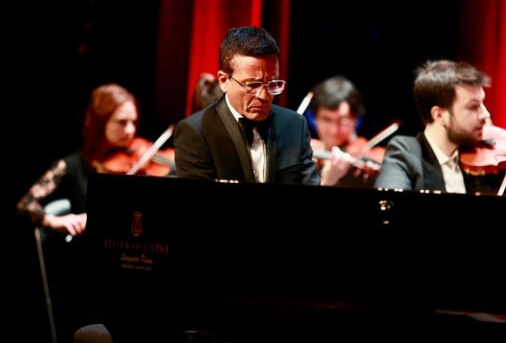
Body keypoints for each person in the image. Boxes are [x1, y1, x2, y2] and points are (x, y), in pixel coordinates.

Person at [15, 83, 145, 343]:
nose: (130, 130)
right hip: (90, 270)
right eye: (121, 122)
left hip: (134, 266)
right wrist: (57, 220)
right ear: (100, 122)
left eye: (133, 122)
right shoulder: (74, 165)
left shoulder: (141, 161)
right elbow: (27, 203)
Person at [373, 59, 506, 195]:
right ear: (439, 115)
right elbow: (389, 212)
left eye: (483, 103)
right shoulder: (405, 153)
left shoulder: (487, 164)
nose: (486, 114)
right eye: (473, 107)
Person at [173, 25, 320, 185]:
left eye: (273, 84)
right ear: (224, 81)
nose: (264, 96)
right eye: (253, 85)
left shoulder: (295, 126)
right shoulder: (195, 132)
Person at [307, 75, 383, 187]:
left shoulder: (369, 159)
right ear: (315, 118)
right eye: (326, 120)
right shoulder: (306, 156)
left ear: (356, 119)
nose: (334, 130)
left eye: (343, 121)